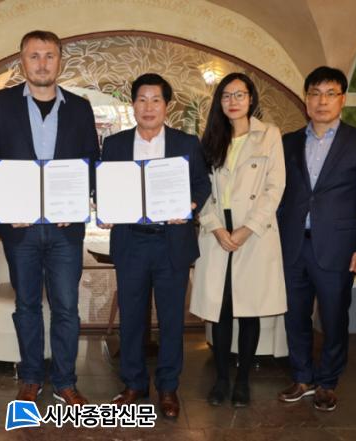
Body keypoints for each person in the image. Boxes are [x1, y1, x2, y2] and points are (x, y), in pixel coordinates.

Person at [0, 30, 99, 405]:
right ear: (22, 61)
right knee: (27, 305)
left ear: (60, 61)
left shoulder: (79, 107)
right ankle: (30, 377)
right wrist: (3, 209)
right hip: (20, 231)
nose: (42, 63)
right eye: (34, 56)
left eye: (49, 56)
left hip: (65, 230)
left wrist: (75, 203)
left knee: (66, 308)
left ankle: (64, 381)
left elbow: (91, 162)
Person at [100, 73, 210, 418]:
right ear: (132, 104)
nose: (148, 107)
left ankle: (168, 387)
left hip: (171, 243)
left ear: (167, 105)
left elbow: (202, 185)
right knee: (131, 318)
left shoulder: (186, 143)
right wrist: (104, 209)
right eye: (142, 100)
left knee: (171, 320)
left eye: (156, 100)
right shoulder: (114, 144)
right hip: (131, 241)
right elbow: (102, 185)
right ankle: (133, 384)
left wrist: (189, 206)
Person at [277, 66, 356, 412]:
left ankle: (327, 382)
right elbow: (278, 195)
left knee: (334, 317)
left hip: (338, 247)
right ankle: (302, 377)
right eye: (315, 93)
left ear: (342, 99)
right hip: (293, 244)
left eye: (330, 93)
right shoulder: (288, 142)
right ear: (306, 99)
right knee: (295, 316)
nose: (322, 101)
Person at [191, 72, 287, 408]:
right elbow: (201, 190)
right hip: (218, 230)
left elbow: (275, 187)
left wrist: (247, 229)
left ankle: (243, 380)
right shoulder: (210, 140)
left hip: (254, 230)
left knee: (249, 309)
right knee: (221, 309)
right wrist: (216, 227)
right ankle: (221, 379)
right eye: (226, 95)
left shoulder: (269, 135)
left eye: (239, 95)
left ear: (251, 99)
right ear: (219, 102)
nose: (233, 101)